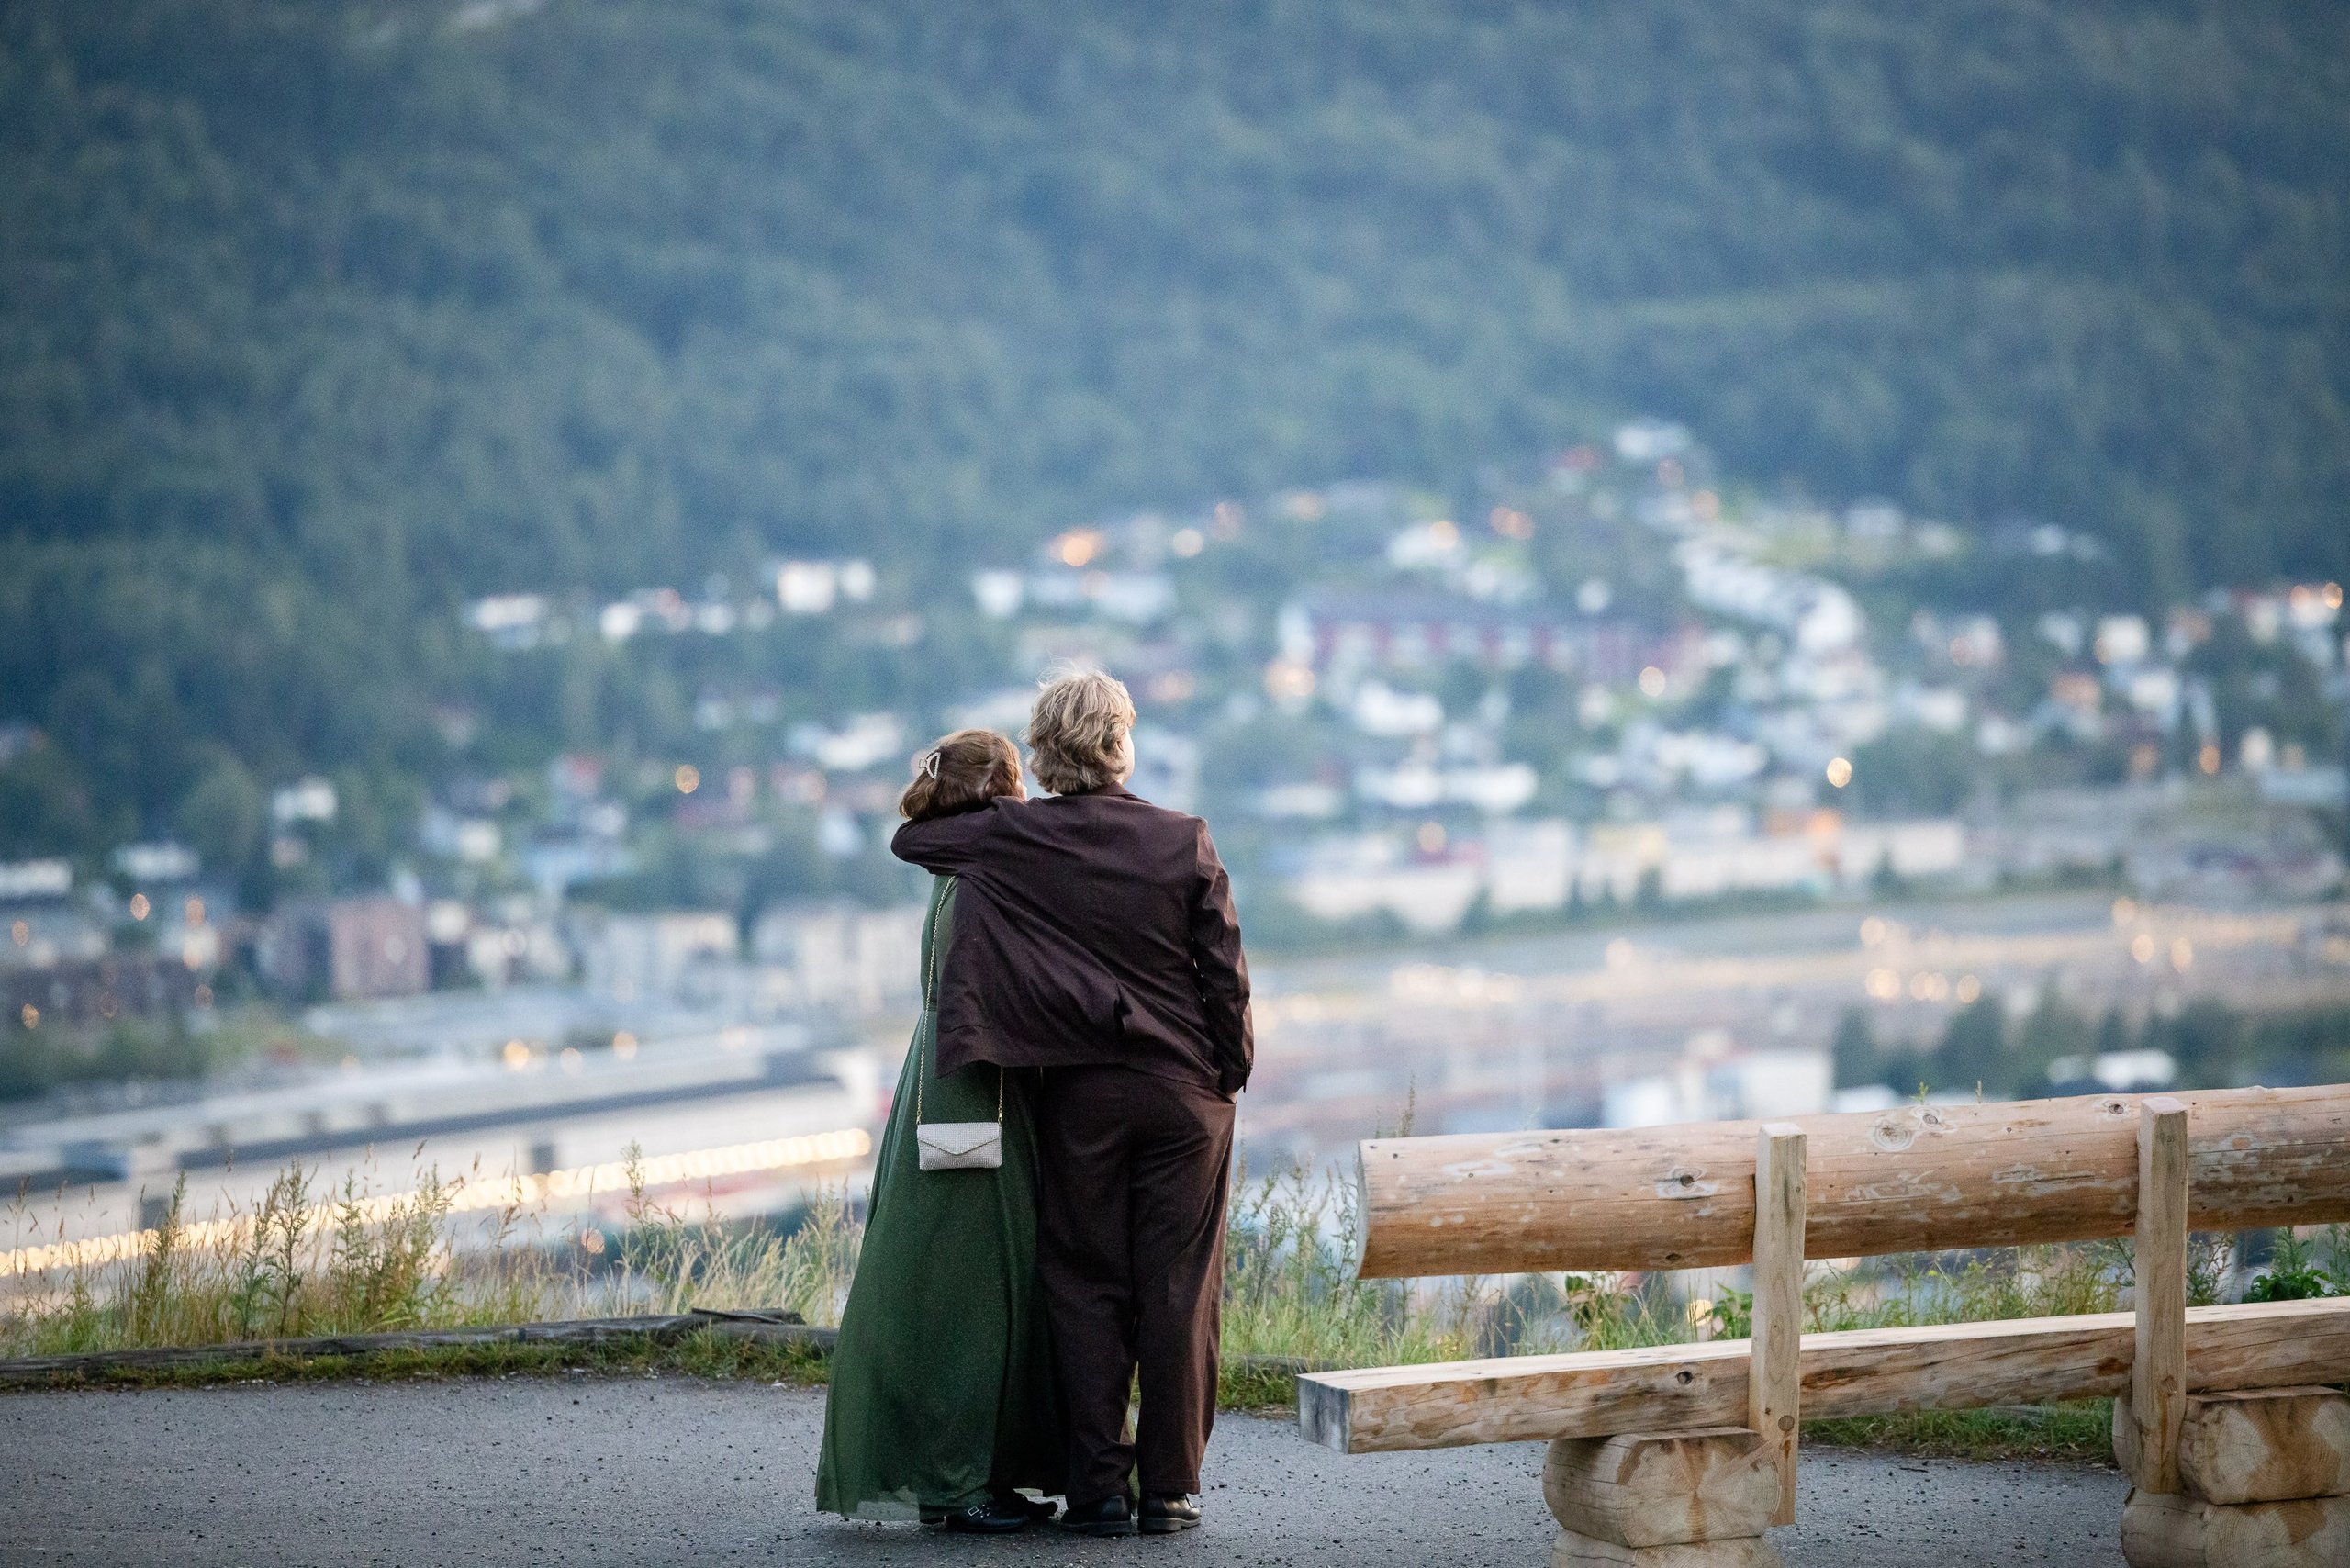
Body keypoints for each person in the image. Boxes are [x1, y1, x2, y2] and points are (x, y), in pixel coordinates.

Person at [892, 669, 1253, 1538]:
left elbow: (913, 846)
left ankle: (1094, 1487)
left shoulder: (1018, 839)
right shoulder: (1182, 839)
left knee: (1085, 1284)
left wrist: (963, 786)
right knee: (1178, 1288)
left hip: (1080, 1096)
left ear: (1046, 754)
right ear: (1121, 745)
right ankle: (1170, 1490)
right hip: (1183, 1095)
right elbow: (1224, 978)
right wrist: (1227, 1073)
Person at [814, 729, 1065, 1532]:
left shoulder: (954, 869)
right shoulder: (989, 870)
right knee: (974, 1294)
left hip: (939, 1079)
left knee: (955, 1284)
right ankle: (958, 1484)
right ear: (1005, 789)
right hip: (972, 1093)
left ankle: (961, 1476)